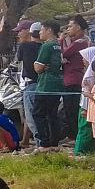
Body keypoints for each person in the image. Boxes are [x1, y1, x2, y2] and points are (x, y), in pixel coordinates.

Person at [33, 20, 65, 149]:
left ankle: (44, 142)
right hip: (56, 85)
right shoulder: (57, 45)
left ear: (49, 30)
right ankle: (54, 142)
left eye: (42, 29)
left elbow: (38, 68)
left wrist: (37, 65)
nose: (40, 32)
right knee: (52, 114)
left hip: (45, 85)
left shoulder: (46, 46)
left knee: (38, 114)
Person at [73, 41, 95, 156]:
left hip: (87, 106)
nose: (83, 60)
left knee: (84, 128)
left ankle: (81, 151)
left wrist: (86, 108)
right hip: (93, 106)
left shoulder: (90, 75)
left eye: (85, 58)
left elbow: (89, 93)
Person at [60, 15, 90, 137]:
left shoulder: (79, 43)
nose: (68, 29)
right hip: (77, 78)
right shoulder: (85, 41)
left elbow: (64, 53)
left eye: (70, 26)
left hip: (72, 79)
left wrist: (61, 40)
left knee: (71, 110)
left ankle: (74, 135)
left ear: (78, 27)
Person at [14, 22, 41, 147]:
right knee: (31, 114)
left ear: (28, 31)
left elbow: (18, 59)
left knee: (31, 115)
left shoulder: (24, 46)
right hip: (40, 83)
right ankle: (26, 140)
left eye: (20, 31)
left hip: (30, 83)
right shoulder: (44, 46)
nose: (19, 34)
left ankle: (40, 143)